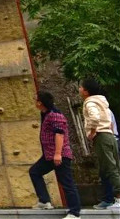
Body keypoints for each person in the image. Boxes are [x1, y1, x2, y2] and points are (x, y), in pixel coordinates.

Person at [28, 90, 81, 219]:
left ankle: (75, 212)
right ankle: (45, 201)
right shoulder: (45, 113)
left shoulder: (55, 115)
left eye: (35, 99)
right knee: (35, 172)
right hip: (49, 155)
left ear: (40, 102)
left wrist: (58, 154)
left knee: (67, 182)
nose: (34, 101)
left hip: (59, 154)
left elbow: (59, 134)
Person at [80, 79, 120, 210]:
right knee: (114, 166)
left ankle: (119, 198)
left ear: (86, 91)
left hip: (102, 136)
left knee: (110, 168)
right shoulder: (102, 102)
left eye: (81, 87)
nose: (79, 89)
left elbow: (95, 117)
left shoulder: (90, 102)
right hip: (110, 135)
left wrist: (92, 131)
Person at [96, 104, 120, 209]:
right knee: (107, 170)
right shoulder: (105, 109)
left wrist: (92, 133)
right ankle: (109, 198)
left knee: (109, 169)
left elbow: (109, 125)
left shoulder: (103, 110)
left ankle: (111, 198)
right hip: (112, 139)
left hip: (109, 139)